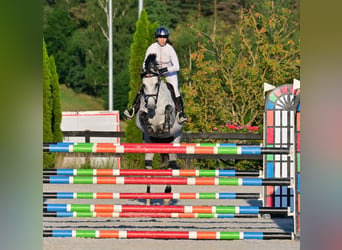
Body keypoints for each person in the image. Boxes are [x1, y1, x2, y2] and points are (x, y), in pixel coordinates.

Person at [124, 26, 188, 123]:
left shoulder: (170, 49)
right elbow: (145, 63)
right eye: (160, 37)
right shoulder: (152, 48)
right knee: (145, 86)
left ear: (166, 38)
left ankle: (181, 113)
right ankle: (133, 109)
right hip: (155, 71)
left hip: (170, 72)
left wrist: (166, 69)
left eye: (164, 37)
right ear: (156, 38)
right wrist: (147, 70)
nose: (162, 40)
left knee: (175, 89)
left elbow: (177, 66)